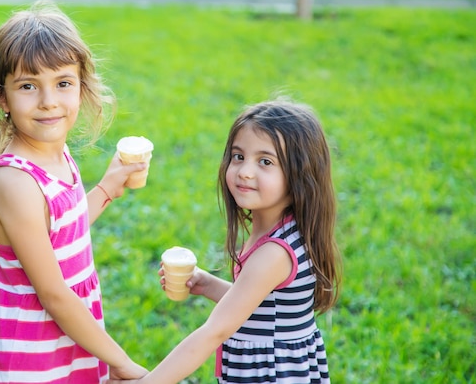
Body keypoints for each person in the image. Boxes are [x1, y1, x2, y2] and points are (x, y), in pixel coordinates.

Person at [0, 0, 148, 384]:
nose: (49, 101)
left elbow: (63, 230)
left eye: (63, 83)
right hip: (26, 352)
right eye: (28, 86)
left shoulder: (55, 154)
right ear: (2, 97)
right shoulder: (16, 183)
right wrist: (121, 361)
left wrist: (108, 188)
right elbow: (53, 294)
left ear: (81, 87)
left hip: (61, 333)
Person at [108, 98, 341, 384]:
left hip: (272, 375)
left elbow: (214, 332)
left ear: (300, 176)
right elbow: (262, 305)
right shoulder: (283, 232)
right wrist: (207, 285)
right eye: (238, 156)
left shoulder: (274, 253)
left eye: (265, 161)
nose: (244, 170)